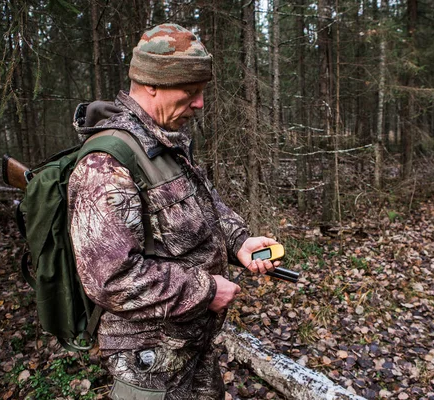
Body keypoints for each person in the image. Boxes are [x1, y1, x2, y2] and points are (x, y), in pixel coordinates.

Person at [68, 23, 281, 399]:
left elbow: (204, 205)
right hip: (149, 362)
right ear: (153, 84)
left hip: (191, 346)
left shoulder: (163, 143)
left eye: (201, 92)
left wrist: (239, 242)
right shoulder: (106, 165)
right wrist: (205, 290)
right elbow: (110, 280)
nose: (200, 104)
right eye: (190, 92)